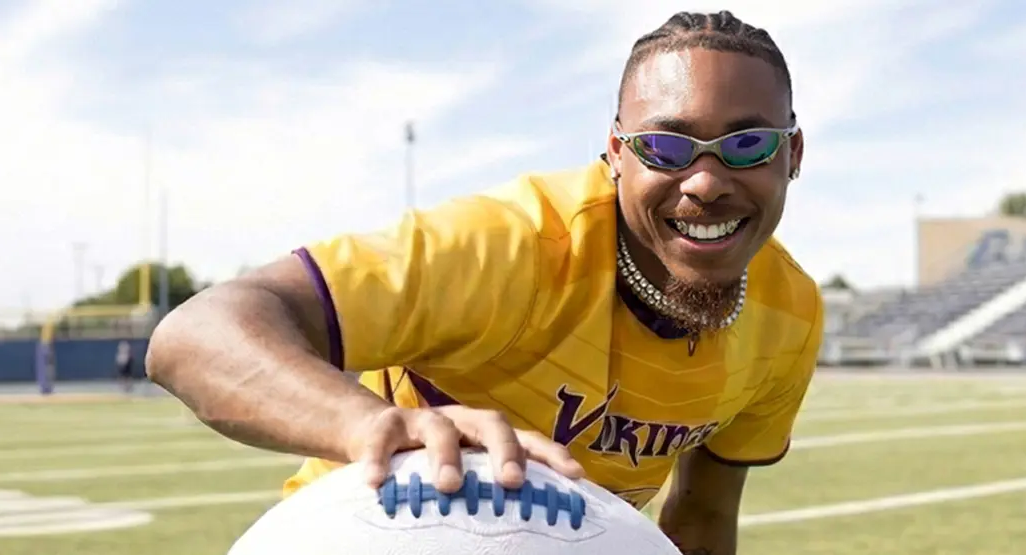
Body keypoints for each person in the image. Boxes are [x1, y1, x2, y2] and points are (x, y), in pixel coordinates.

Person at [147, 10, 821, 554]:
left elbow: (702, 517)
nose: (704, 181)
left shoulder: (790, 315)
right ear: (616, 154)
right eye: (665, 148)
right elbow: (193, 335)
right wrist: (376, 424)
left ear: (791, 154)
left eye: (747, 145)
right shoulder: (510, 246)